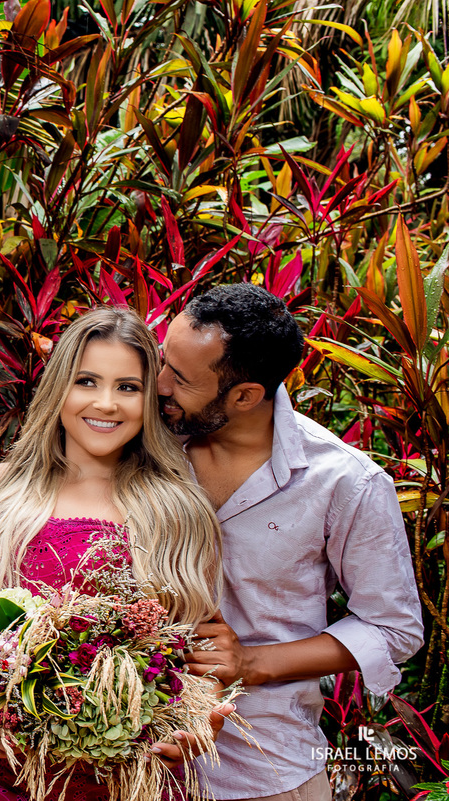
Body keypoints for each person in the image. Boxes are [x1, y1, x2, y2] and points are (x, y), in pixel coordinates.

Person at [0, 307, 227, 801]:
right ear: (59, 388)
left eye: (128, 387)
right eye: (87, 381)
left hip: (136, 776)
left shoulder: (178, 507)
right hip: (11, 769)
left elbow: (201, 643)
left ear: (149, 400)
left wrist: (198, 719)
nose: (106, 404)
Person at [157, 284, 424, 801]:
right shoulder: (148, 443)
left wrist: (253, 664)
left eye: (180, 378)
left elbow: (394, 628)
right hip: (126, 765)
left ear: (245, 396)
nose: (159, 383)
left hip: (266, 771)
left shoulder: (345, 483)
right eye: (164, 361)